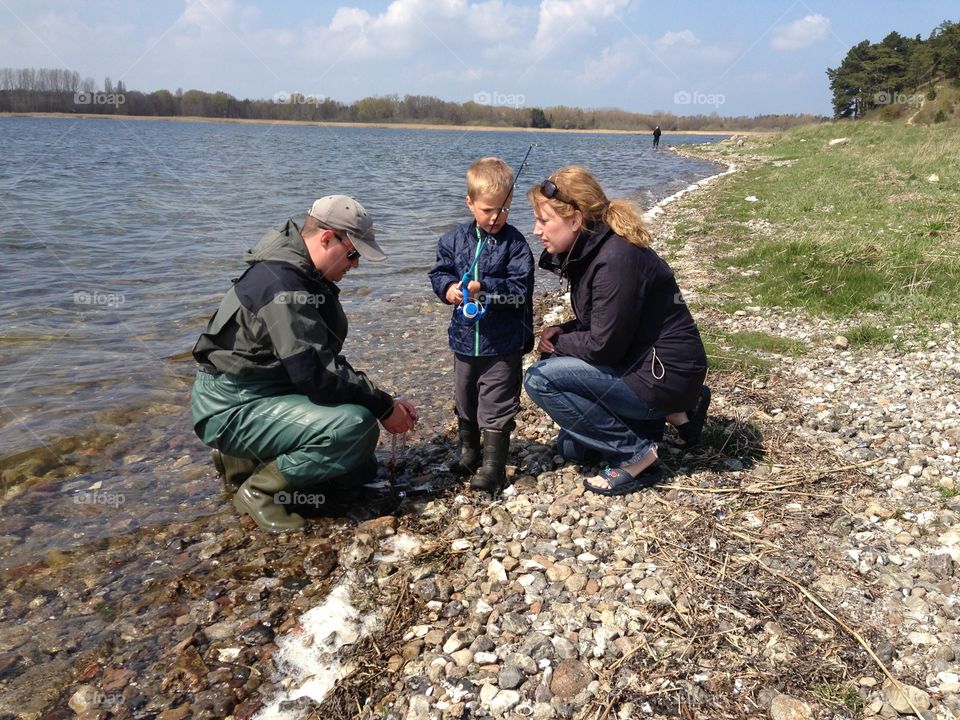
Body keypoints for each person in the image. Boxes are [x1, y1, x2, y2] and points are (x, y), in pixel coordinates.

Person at [190, 195, 418, 532]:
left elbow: (318, 361)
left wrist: (379, 400)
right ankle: (260, 491)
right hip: (230, 405)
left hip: (267, 387)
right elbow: (315, 374)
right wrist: (383, 407)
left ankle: (252, 459)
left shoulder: (303, 272)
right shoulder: (284, 284)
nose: (355, 265)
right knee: (356, 427)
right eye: (353, 254)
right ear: (327, 238)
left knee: (359, 469)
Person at [523, 167, 710, 496]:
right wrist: (561, 329)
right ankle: (680, 413)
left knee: (540, 378)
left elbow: (602, 347)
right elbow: (608, 321)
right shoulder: (592, 250)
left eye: (544, 220)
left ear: (575, 219)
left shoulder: (615, 259)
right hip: (649, 367)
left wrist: (560, 343)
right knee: (573, 450)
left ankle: (637, 455)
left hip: (662, 374)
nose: (537, 230)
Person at [428, 157, 535, 492]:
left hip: (502, 344)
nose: (495, 217)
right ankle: (469, 451)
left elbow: (519, 291)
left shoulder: (515, 244)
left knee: (497, 402)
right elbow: (439, 272)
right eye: (487, 210)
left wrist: (485, 287)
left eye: (503, 210)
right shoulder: (453, 240)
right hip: (464, 340)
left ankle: (493, 467)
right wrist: (448, 290)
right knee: (466, 398)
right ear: (470, 203)